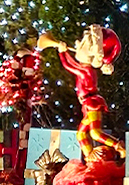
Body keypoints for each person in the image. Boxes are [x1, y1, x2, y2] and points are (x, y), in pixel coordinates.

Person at [37, 25, 124, 162]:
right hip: (88, 104)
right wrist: (63, 51)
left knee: (95, 133)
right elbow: (72, 65)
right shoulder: (85, 68)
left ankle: (119, 146)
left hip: (92, 104)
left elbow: (69, 66)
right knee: (81, 134)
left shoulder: (87, 71)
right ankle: (90, 156)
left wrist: (62, 52)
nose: (78, 45)